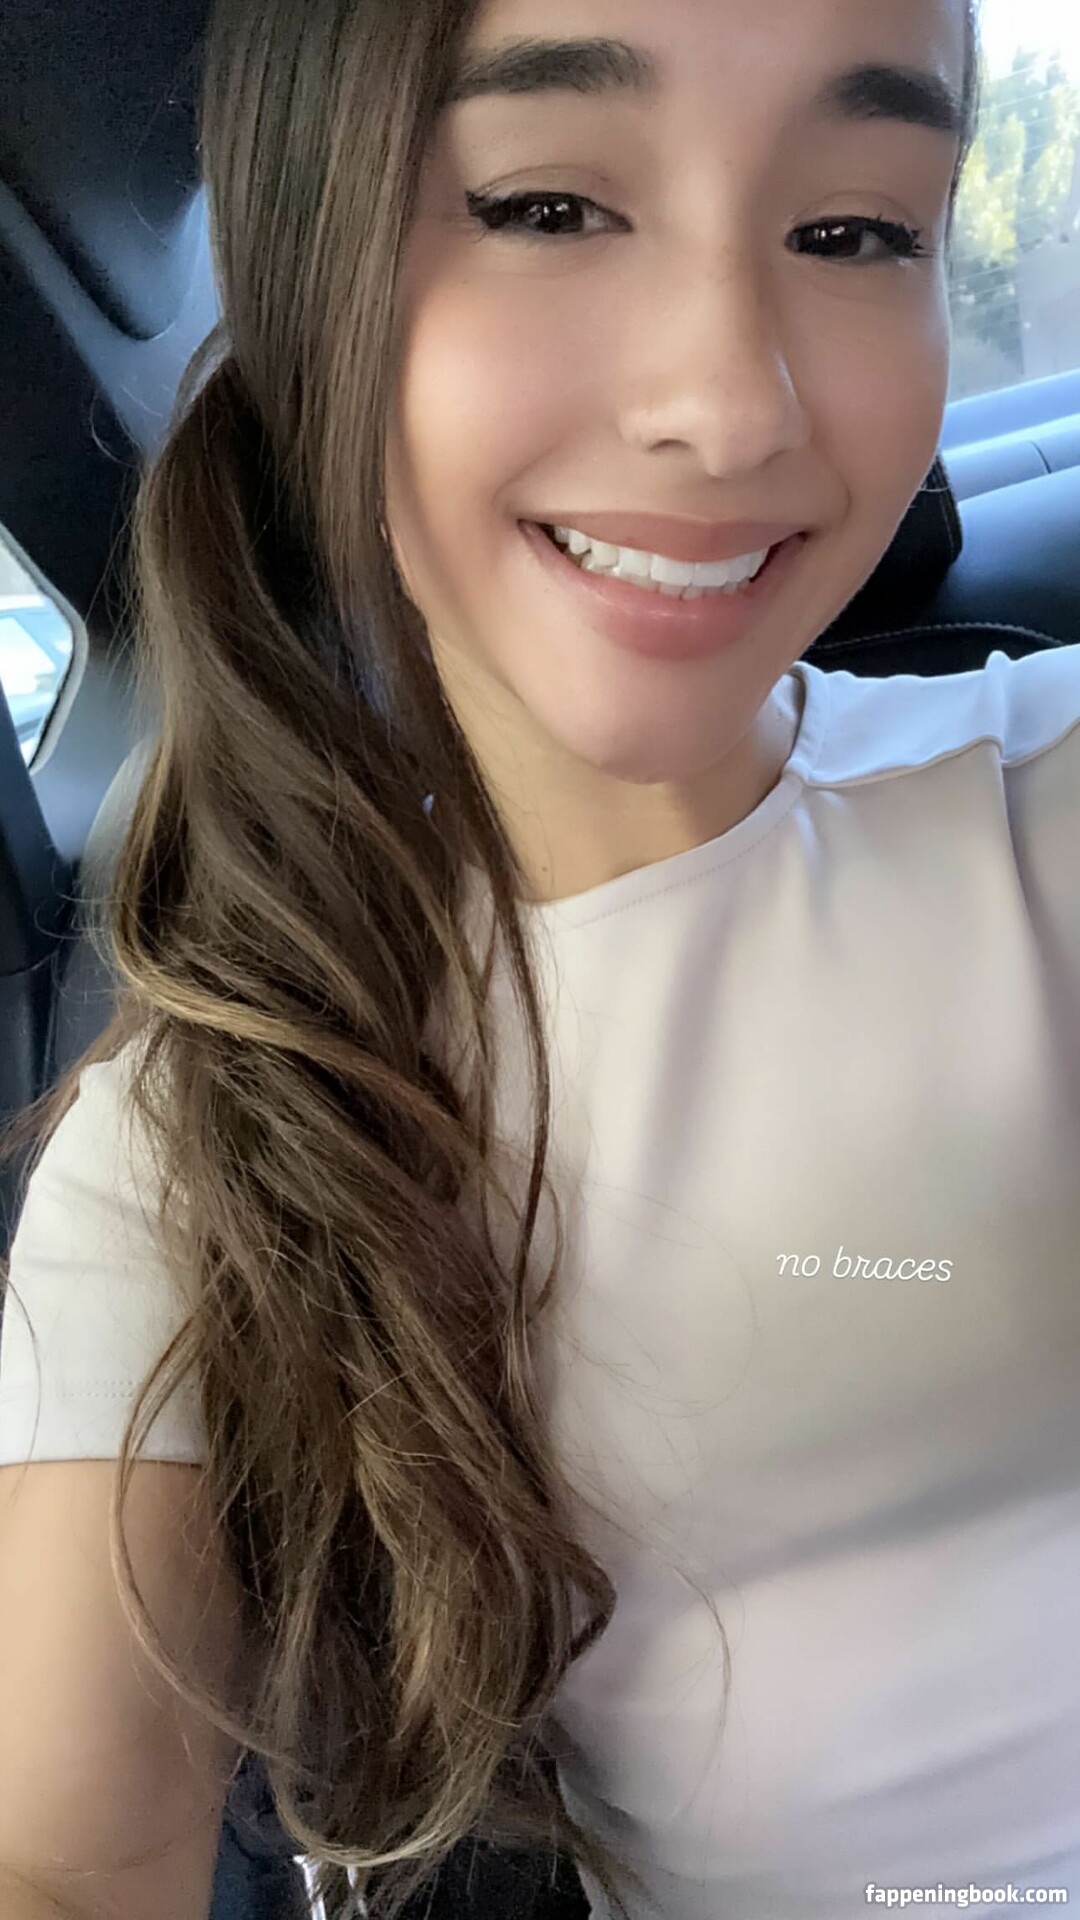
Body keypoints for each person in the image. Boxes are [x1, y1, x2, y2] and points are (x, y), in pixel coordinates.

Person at [2, 0, 1079, 1916]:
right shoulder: (214, 1129)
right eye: (551, 208)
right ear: (316, 281)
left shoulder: (1036, 798)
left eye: (853, 230)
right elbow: (69, 1861)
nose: (730, 406)